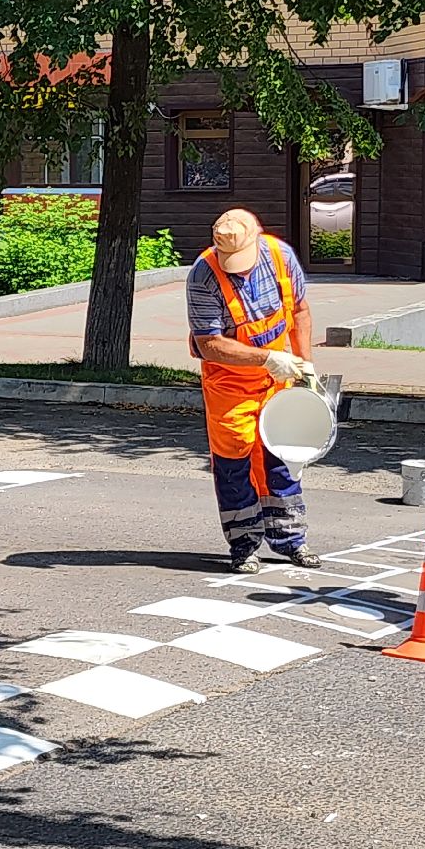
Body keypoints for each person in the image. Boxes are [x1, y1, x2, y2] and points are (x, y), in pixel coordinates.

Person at [186, 209, 324, 575]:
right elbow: (209, 345)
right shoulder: (203, 275)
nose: (238, 269)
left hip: (279, 373)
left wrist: (304, 362)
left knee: (282, 455)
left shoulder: (280, 256)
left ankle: (291, 539)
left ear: (256, 240)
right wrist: (266, 359)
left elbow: (299, 311)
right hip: (230, 383)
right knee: (234, 461)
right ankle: (244, 543)